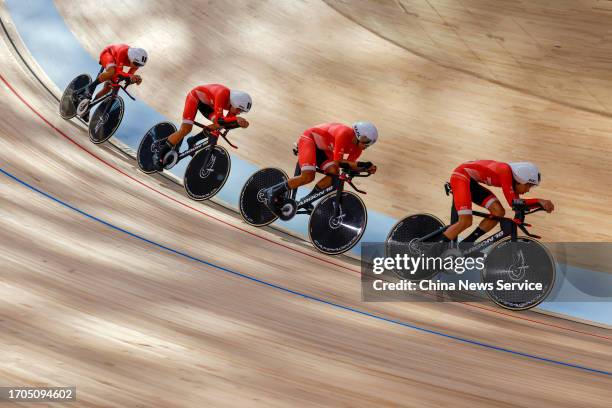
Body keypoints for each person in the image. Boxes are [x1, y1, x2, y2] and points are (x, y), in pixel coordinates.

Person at [265, 122, 378, 213]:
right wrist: (362, 164)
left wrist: (365, 168)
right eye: (366, 142)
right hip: (309, 140)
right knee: (308, 176)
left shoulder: (358, 148)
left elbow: (348, 165)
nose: (367, 146)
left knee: (334, 173)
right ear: (359, 135)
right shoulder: (344, 133)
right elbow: (338, 161)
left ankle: (306, 200)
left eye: (370, 144)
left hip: (323, 149)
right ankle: (272, 191)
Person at [441, 160, 554, 243]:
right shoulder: (505, 171)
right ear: (521, 179)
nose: (528, 190)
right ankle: (433, 252)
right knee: (465, 221)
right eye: (528, 186)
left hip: (471, 182)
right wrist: (539, 201)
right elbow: (513, 202)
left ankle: (467, 244)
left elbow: (518, 205)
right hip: (461, 176)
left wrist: (539, 205)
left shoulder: (513, 179)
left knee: (498, 212)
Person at [152, 84, 251, 170]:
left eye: (241, 112)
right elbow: (221, 119)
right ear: (234, 102)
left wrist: (239, 124)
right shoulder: (222, 94)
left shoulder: (233, 105)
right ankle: (159, 155)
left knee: (219, 125)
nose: (238, 112)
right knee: (186, 129)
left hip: (206, 104)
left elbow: (226, 125)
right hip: (194, 98)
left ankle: (193, 140)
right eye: (238, 109)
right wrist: (236, 120)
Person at [77, 44, 147, 122]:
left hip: (116, 63)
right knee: (112, 72)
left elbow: (129, 76)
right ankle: (89, 88)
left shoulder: (136, 62)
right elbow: (119, 71)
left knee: (109, 87)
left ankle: (88, 107)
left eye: (139, 65)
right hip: (108, 54)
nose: (136, 66)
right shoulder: (123, 51)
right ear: (131, 57)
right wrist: (130, 76)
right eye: (136, 64)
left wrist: (133, 80)